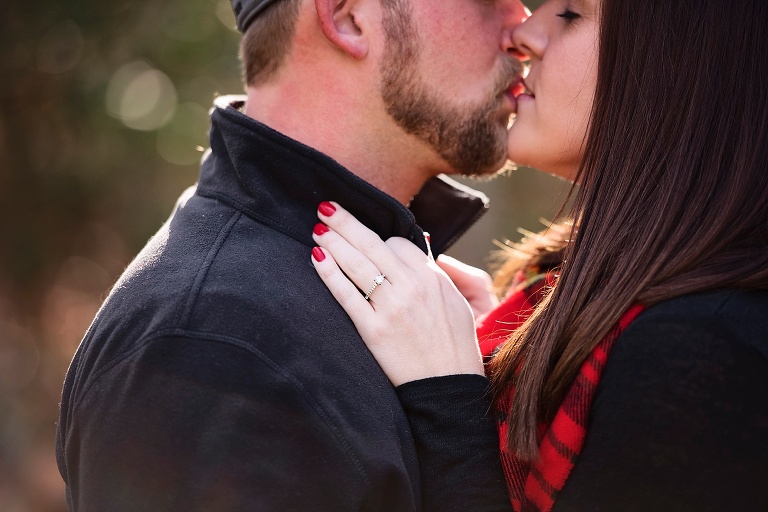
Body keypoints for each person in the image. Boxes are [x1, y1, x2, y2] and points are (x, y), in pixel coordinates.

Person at [55, 0, 530, 510]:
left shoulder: (297, 306)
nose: (521, 23)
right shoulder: (211, 348)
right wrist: (456, 425)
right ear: (349, 19)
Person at [310, 0, 768, 510]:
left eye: (570, 13)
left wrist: (447, 401)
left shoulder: (705, 352)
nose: (525, 33)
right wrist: (503, 350)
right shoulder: (580, 296)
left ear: (688, 63)